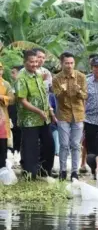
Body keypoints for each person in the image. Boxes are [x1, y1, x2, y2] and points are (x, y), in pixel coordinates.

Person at [16, 50, 55, 179]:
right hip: (29, 119)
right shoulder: (21, 78)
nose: (34, 64)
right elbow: (22, 101)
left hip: (44, 118)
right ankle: (29, 174)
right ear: (25, 62)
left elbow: (44, 95)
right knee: (30, 147)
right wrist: (39, 111)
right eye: (31, 62)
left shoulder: (39, 75)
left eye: (36, 61)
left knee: (49, 144)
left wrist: (50, 111)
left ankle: (44, 171)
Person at [52, 52, 87, 180]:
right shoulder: (56, 78)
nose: (69, 66)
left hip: (78, 113)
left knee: (76, 145)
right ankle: (62, 170)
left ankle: (74, 172)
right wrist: (63, 91)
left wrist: (79, 91)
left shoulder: (81, 77)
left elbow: (85, 96)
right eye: (66, 63)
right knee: (64, 144)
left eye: (71, 63)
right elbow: (57, 97)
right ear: (62, 63)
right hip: (63, 114)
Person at [0, 62, 15, 166]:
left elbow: (12, 99)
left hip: (2, 118)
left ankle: (2, 168)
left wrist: (2, 97)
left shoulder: (6, 84)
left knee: (2, 144)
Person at [8, 65, 22, 158]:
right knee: (13, 131)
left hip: (19, 111)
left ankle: (18, 152)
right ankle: (13, 152)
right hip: (11, 111)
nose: (11, 75)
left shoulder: (21, 85)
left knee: (18, 132)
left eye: (13, 72)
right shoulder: (12, 85)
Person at [48, 92, 59, 156]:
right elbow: (51, 107)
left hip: (59, 115)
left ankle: (57, 150)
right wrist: (53, 116)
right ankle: (57, 150)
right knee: (55, 132)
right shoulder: (52, 95)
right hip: (55, 115)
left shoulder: (52, 95)